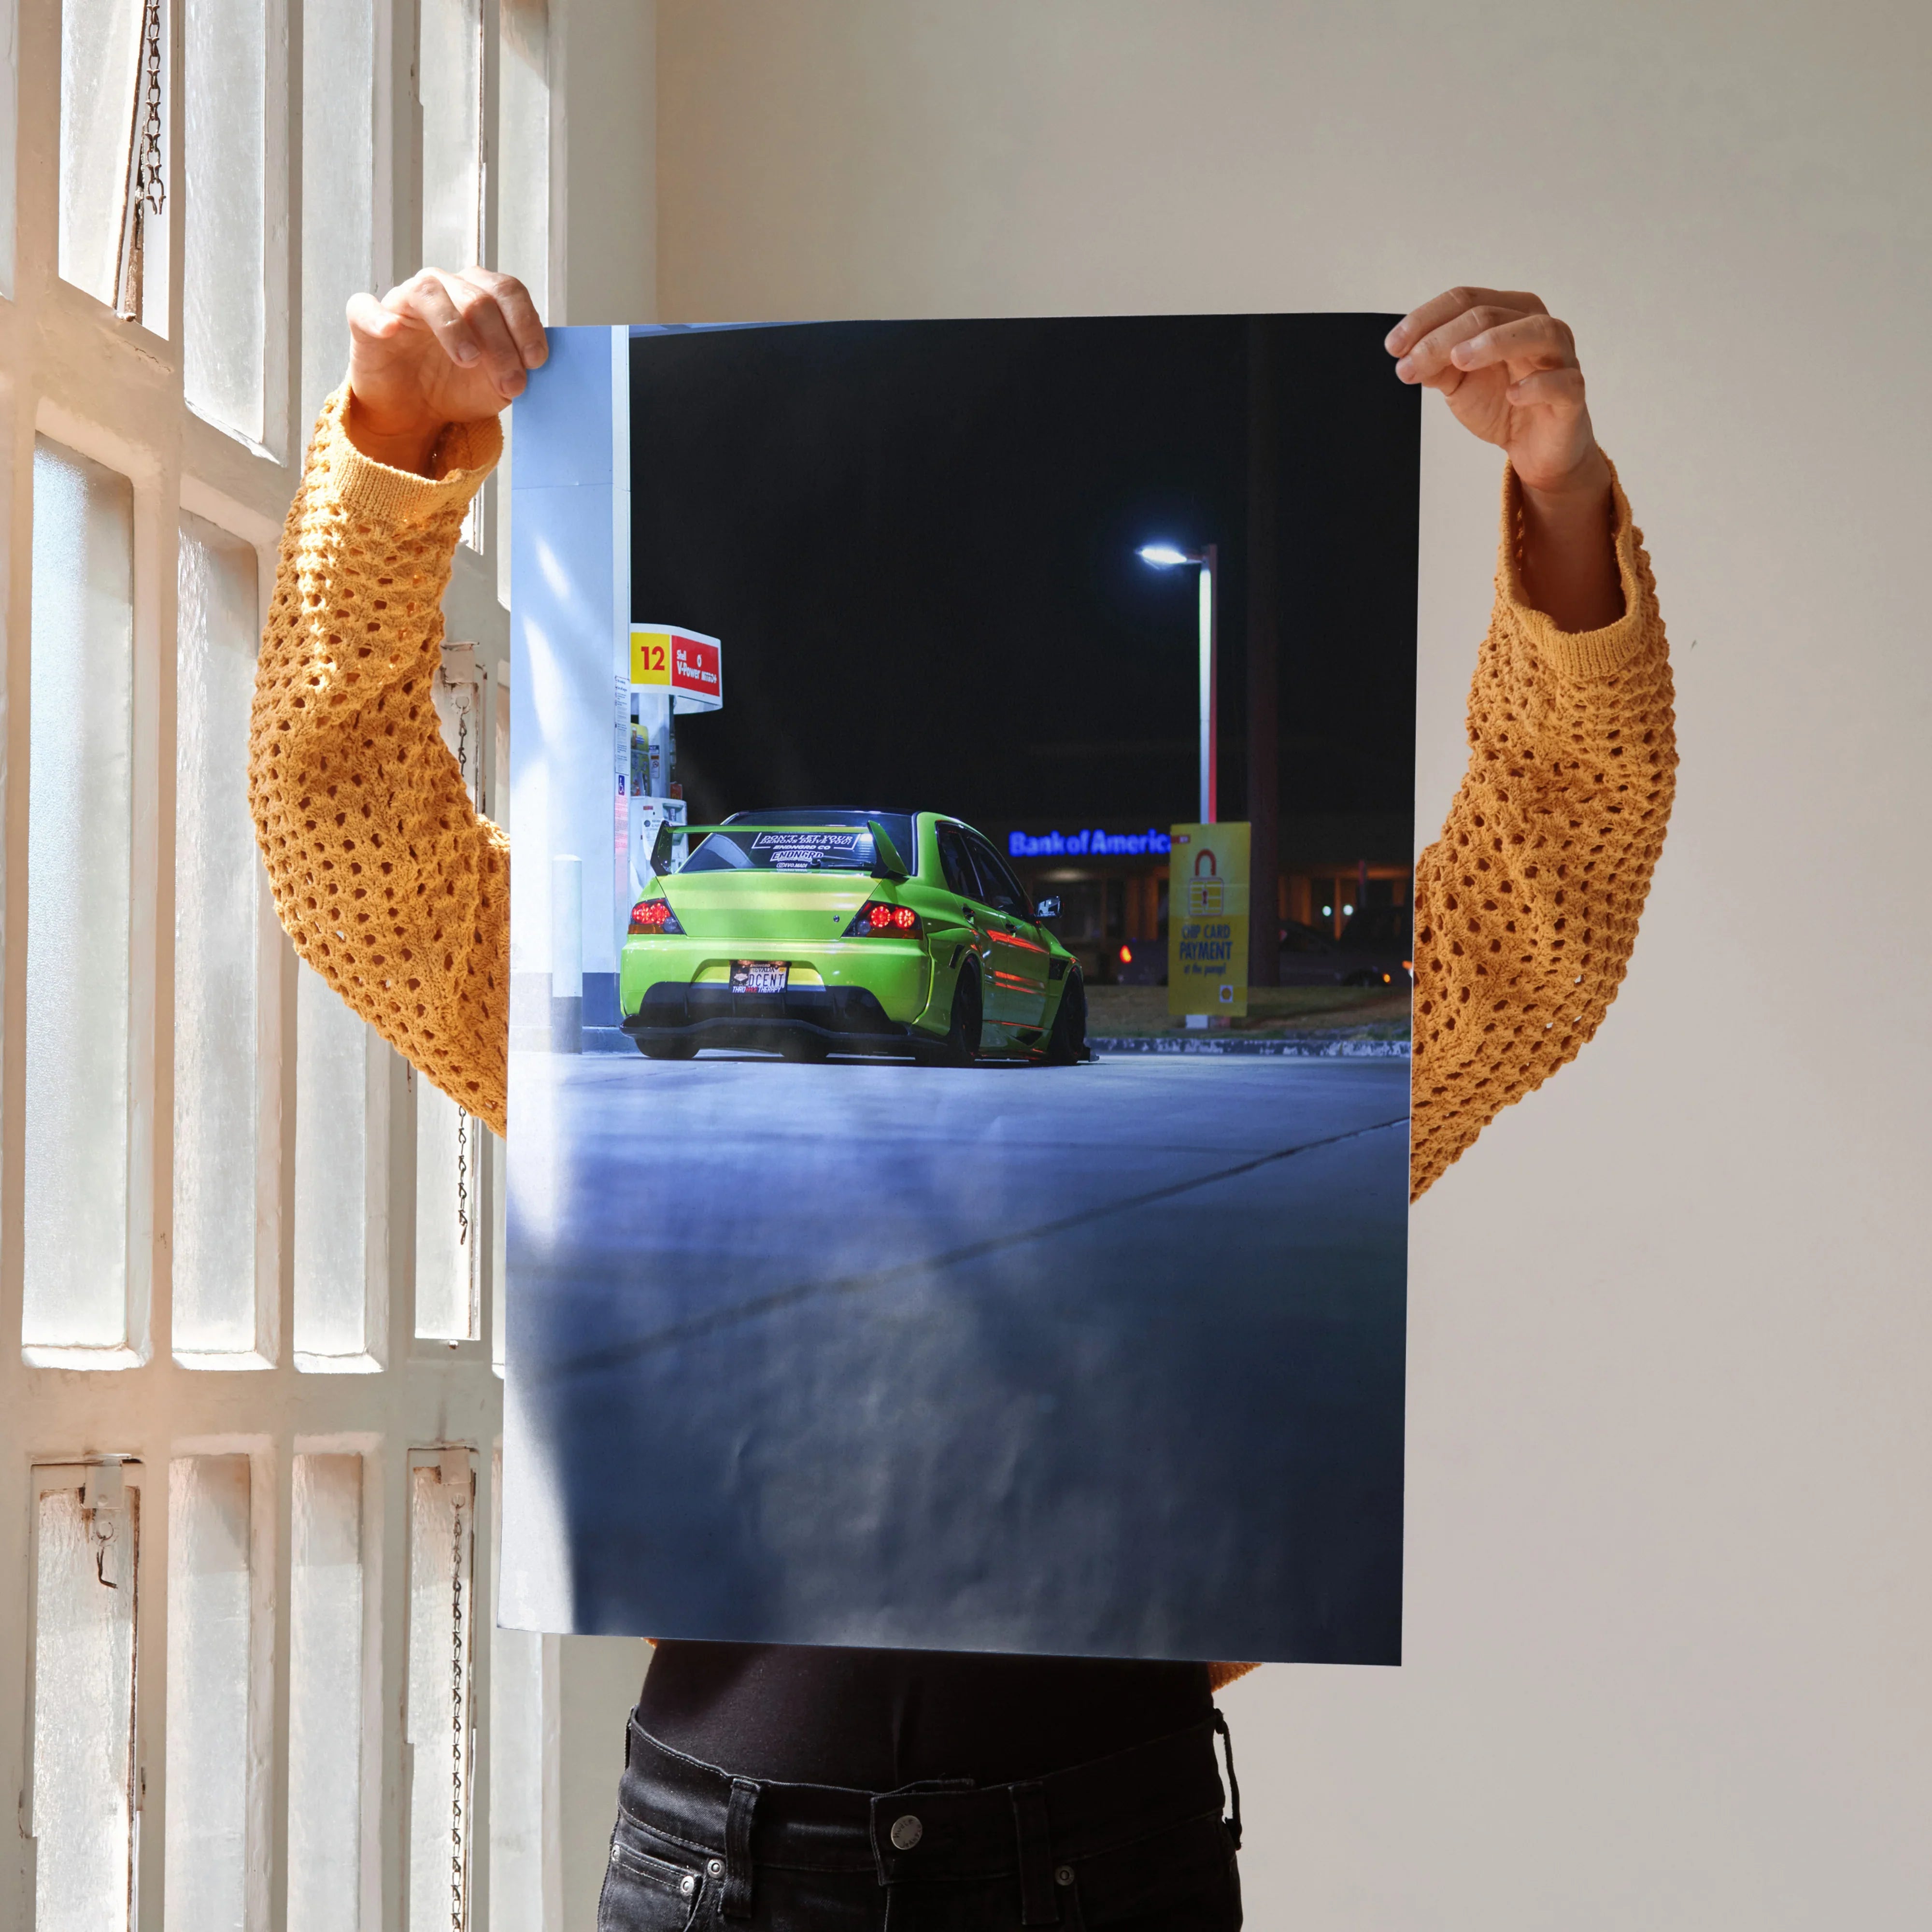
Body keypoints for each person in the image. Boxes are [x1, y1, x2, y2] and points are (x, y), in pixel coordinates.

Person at [250, 270, 1675, 1930]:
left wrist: (1561, 499)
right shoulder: (612, 1084)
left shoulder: (1213, 1114)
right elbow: (348, 839)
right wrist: (391, 445)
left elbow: (1537, 921)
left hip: (1080, 1850)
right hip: (752, 1857)